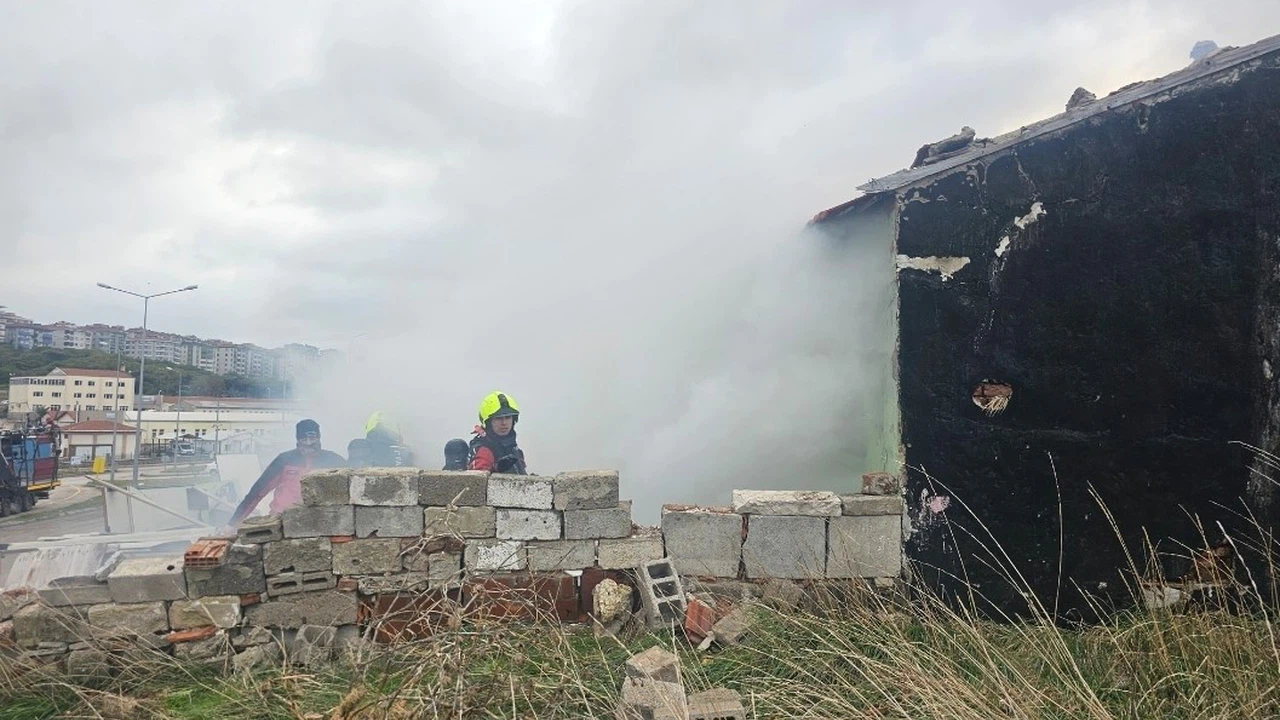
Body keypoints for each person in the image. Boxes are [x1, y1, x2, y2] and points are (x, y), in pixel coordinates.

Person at [228, 419, 346, 524]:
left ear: (319, 438)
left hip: (320, 519)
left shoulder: (334, 460)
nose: (309, 442)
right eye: (304, 439)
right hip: (282, 518)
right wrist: (233, 524)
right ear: (298, 440)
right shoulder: (284, 460)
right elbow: (257, 491)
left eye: (313, 438)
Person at [468, 391, 527, 474]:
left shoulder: (513, 448)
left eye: (508, 417)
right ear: (488, 422)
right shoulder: (484, 451)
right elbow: (476, 482)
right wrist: (497, 469)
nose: (504, 423)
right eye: (498, 418)